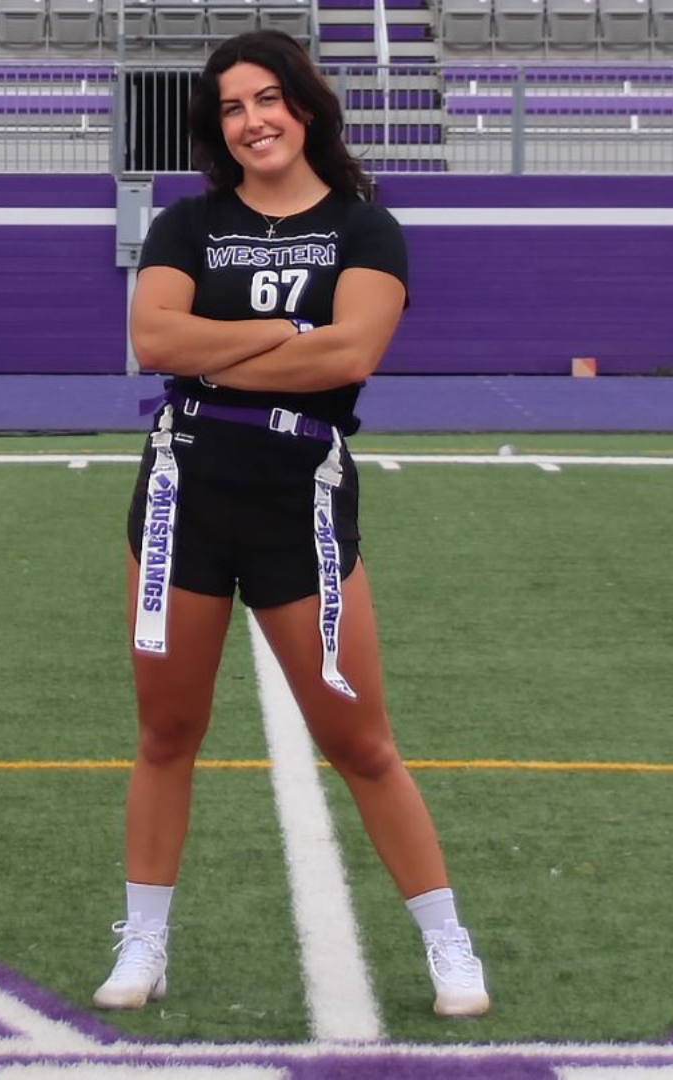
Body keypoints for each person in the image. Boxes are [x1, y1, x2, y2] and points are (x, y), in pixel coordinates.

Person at [95, 29, 490, 1019]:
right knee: (167, 730)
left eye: (267, 99)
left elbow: (350, 356)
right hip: (185, 491)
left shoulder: (365, 227)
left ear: (305, 106)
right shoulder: (189, 224)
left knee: (361, 741)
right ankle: (144, 939)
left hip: (301, 497)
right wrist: (283, 334)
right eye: (232, 108)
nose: (252, 121)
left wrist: (222, 350)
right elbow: (154, 339)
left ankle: (449, 942)